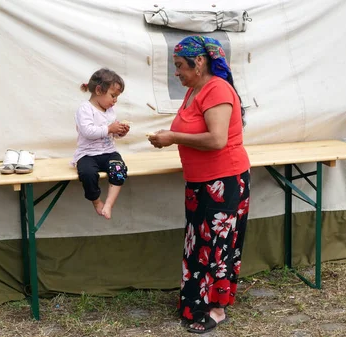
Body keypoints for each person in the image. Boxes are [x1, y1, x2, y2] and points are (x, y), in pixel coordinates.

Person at [148, 36, 251, 334]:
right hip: (200, 182)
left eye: (180, 66)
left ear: (200, 62)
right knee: (199, 245)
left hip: (224, 180)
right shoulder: (195, 90)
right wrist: (169, 136)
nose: (176, 72)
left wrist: (173, 138)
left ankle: (216, 309)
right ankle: (196, 301)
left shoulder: (217, 89)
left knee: (216, 247)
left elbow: (217, 140)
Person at [72, 68, 130, 220]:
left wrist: (119, 132)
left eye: (117, 97)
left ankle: (109, 204)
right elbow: (88, 132)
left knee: (119, 169)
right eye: (113, 95)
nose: (115, 100)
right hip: (88, 154)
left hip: (109, 152)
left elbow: (112, 133)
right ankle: (96, 201)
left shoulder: (110, 111)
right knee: (87, 174)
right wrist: (110, 128)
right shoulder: (85, 109)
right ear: (98, 90)